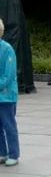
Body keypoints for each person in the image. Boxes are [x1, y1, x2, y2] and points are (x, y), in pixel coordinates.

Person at [0, 20, 19, 166]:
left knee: (9, 125)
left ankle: (14, 154)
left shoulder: (7, 49)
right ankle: (2, 152)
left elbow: (8, 75)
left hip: (6, 96)